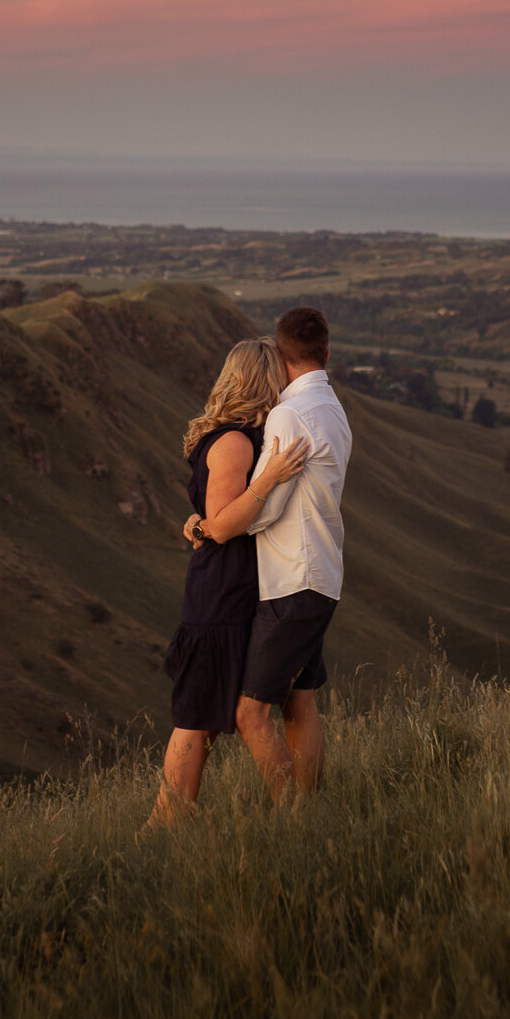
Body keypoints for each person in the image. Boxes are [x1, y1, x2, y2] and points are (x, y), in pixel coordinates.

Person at [149, 338, 308, 825]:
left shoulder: (241, 436)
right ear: (264, 382)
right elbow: (221, 524)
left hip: (239, 591)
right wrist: (270, 478)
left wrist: (196, 522)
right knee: (196, 720)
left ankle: (296, 817)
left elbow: (207, 520)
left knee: (220, 716)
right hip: (221, 596)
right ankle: (160, 831)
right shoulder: (237, 441)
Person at [228, 306, 352, 802]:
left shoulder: (288, 414)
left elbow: (263, 509)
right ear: (326, 353)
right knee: (299, 702)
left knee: (249, 712)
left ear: (280, 356)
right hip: (322, 573)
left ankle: (291, 817)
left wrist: (218, 524)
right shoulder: (334, 410)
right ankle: (314, 809)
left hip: (291, 580)